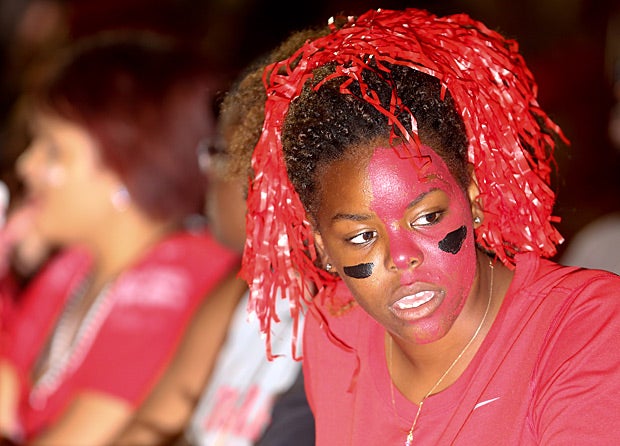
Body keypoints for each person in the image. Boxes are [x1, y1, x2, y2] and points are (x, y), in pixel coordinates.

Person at [236, 8, 620, 445]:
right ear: (321, 245)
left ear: (474, 195)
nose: (402, 258)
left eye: (427, 217)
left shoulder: (583, 328)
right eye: (361, 237)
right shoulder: (338, 331)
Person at [0, 33, 239, 445]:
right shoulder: (73, 267)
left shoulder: (171, 282)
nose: (27, 165)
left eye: (54, 151)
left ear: (127, 168)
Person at [113, 28, 326, 446]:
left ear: (268, 176)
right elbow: (146, 428)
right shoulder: (237, 292)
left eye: (220, 151)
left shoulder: (338, 319)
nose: (208, 171)